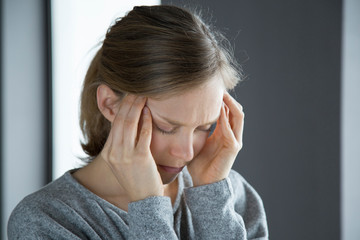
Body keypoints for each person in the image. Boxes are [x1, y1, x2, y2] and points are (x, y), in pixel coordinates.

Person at [8, 5, 268, 239]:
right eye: (166, 127)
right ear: (109, 104)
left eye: (203, 127)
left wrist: (211, 202)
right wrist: (148, 207)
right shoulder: (47, 220)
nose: (186, 152)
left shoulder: (231, 195)